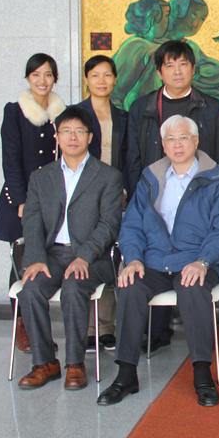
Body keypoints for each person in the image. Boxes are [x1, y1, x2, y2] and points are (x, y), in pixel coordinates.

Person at [98, 115, 219, 407]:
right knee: (130, 286)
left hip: (196, 260)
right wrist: (133, 259)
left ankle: (202, 374)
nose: (177, 145)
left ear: (195, 141)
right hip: (154, 260)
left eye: (183, 138)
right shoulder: (150, 177)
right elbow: (132, 225)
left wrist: (203, 261)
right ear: (163, 145)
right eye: (170, 140)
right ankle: (126, 374)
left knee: (192, 288)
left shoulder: (215, 178)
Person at [15, 107, 124, 391]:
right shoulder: (42, 177)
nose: (72, 137)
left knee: (74, 288)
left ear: (90, 137)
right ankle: (44, 363)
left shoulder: (108, 176)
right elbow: (32, 221)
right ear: (57, 137)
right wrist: (35, 258)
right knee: (30, 289)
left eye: (79, 131)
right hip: (51, 255)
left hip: (93, 257)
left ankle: (75, 363)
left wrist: (84, 256)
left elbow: (109, 225)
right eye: (66, 131)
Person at [0, 53, 66, 354]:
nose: (42, 80)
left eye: (48, 74)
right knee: (22, 262)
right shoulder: (15, 111)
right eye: (36, 75)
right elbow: (10, 160)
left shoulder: (61, 113)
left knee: (46, 261)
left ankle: (41, 330)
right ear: (27, 78)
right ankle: (22, 326)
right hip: (21, 199)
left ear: (55, 78)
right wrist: (22, 202)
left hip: (53, 200)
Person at [125, 39, 219, 194]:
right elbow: (133, 159)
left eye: (183, 64)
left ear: (193, 69)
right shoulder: (141, 108)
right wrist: (139, 196)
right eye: (170, 66)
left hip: (201, 193)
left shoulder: (211, 107)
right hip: (154, 192)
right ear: (159, 73)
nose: (177, 72)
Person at [77, 54, 128, 354]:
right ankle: (87, 329)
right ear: (87, 79)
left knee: (111, 258)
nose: (101, 81)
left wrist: (126, 189)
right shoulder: (75, 114)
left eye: (107, 75)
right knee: (87, 255)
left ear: (115, 79)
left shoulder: (122, 116)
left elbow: (129, 157)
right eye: (95, 75)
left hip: (115, 196)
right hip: (85, 197)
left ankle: (106, 327)